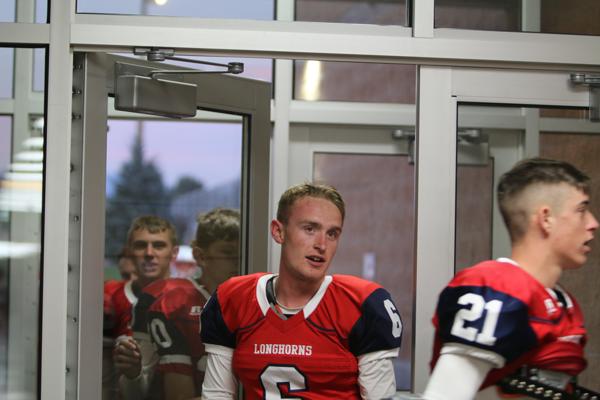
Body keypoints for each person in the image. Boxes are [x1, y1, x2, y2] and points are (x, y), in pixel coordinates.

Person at [200, 182, 403, 399]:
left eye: (332, 234)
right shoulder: (233, 298)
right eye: (310, 229)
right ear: (278, 232)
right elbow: (217, 395)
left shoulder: (362, 304)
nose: (322, 245)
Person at [423, 158, 599, 400]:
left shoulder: (561, 300)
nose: (593, 223)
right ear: (546, 218)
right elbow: (445, 396)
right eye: (581, 210)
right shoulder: (496, 288)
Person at [146, 207, 240, 400]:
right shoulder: (176, 304)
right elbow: (179, 396)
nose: (238, 261)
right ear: (200, 256)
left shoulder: (256, 299)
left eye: (243, 252)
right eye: (228, 252)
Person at [110, 215, 179, 399]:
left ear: (174, 252)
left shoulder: (186, 302)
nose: (149, 253)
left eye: (159, 245)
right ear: (129, 251)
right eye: (141, 245)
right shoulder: (110, 297)